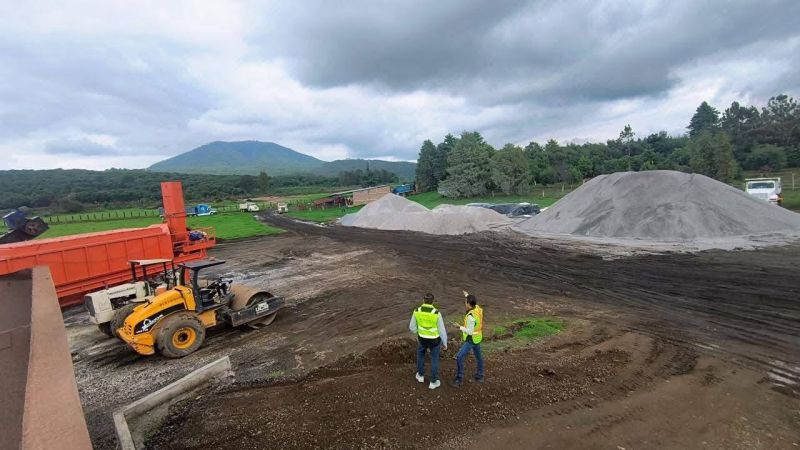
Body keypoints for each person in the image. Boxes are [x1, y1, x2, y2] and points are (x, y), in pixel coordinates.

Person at [409, 293, 447, 390]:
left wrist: (418, 331)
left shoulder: (417, 311)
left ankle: (420, 376)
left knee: (421, 355)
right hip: (434, 340)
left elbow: (412, 327)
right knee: (434, 359)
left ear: (423, 300)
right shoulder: (436, 313)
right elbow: (442, 330)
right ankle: (433, 382)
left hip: (422, 338)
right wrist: (445, 342)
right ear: (433, 301)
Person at [451, 291, 484, 387]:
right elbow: (472, 300)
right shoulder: (477, 308)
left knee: (459, 357)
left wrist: (459, 327)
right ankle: (480, 376)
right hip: (478, 337)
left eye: (465, 301)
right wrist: (466, 295)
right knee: (479, 357)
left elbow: (469, 331)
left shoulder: (470, 317)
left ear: (469, 304)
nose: (464, 303)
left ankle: (459, 379)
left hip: (471, 339)